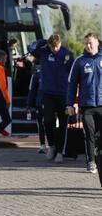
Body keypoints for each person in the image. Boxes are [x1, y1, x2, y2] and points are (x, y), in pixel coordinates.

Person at [28, 34, 74, 163]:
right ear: (49, 45)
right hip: (47, 94)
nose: (55, 49)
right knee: (47, 122)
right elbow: (30, 47)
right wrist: (43, 41)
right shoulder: (43, 52)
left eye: (57, 46)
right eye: (53, 46)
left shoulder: (67, 55)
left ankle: (60, 152)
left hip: (63, 95)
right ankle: (52, 146)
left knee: (63, 124)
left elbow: (74, 74)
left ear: (60, 44)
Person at [67, 33, 102, 175]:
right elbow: (71, 84)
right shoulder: (79, 61)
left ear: (97, 43)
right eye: (86, 43)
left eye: (90, 43)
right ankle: (91, 162)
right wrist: (69, 104)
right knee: (89, 133)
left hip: (101, 104)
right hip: (86, 106)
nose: (88, 45)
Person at [26, 62, 47, 154]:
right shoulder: (37, 75)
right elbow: (32, 90)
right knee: (42, 125)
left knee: (47, 124)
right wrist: (29, 105)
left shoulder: (38, 75)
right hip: (40, 103)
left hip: (50, 103)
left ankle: (49, 145)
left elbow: (31, 91)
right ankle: (43, 145)